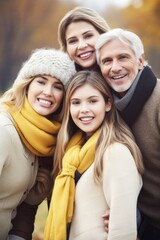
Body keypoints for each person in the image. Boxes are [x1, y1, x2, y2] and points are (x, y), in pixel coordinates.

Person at [44, 70, 143, 240]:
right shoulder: (71, 154)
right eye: (76, 103)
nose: (84, 110)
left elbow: (124, 230)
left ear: (108, 104)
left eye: (92, 101)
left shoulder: (115, 152)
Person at [0, 47, 76, 240]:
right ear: (26, 85)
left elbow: (23, 208)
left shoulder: (42, 139)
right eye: (41, 82)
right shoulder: (4, 129)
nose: (48, 92)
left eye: (58, 86)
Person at [95, 28, 160, 240]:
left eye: (123, 57)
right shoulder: (106, 107)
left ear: (140, 61)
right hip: (142, 223)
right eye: (107, 61)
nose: (115, 67)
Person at [58, 6, 110, 72]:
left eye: (88, 36)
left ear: (103, 34)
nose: (81, 46)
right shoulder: (58, 80)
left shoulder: (123, 75)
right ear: (66, 48)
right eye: (73, 41)